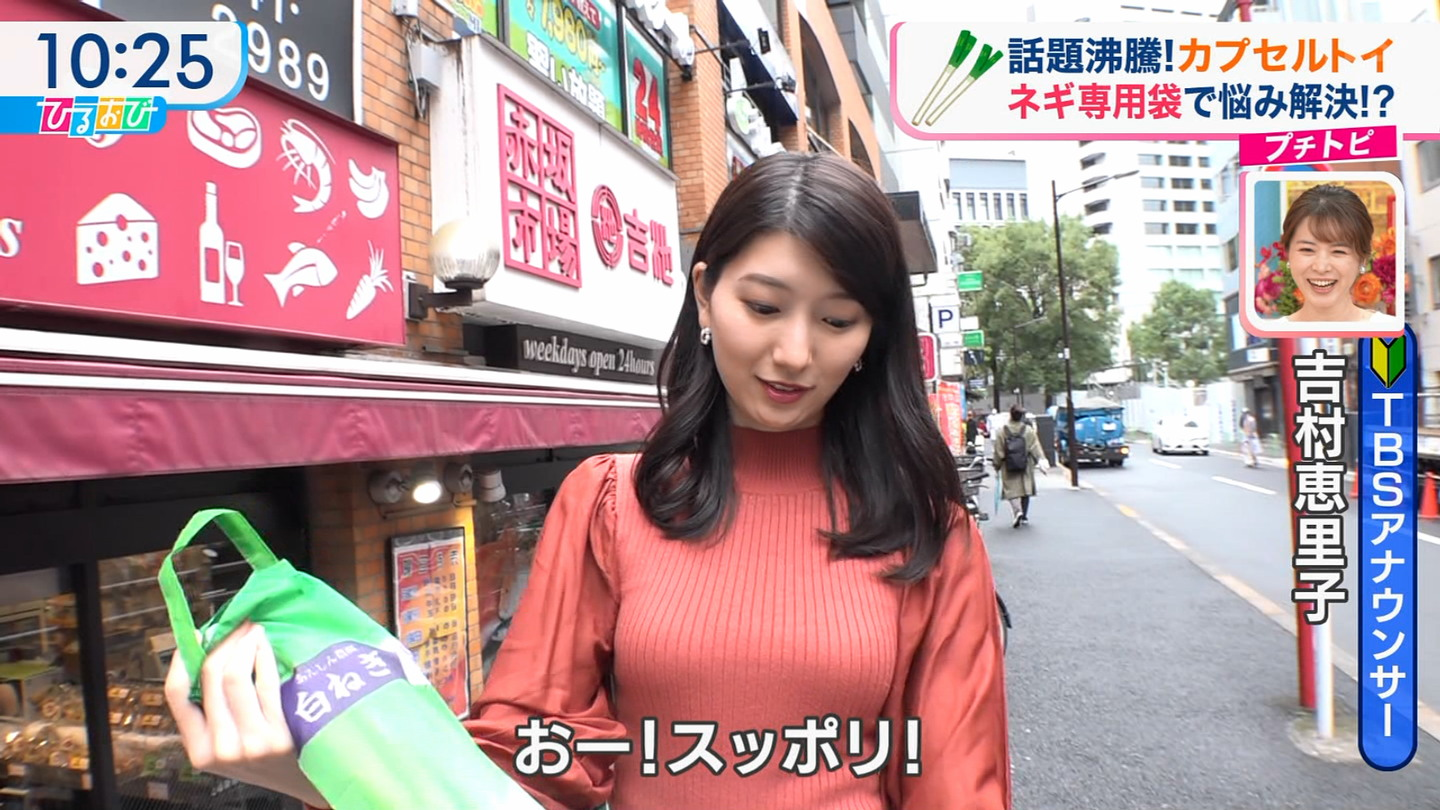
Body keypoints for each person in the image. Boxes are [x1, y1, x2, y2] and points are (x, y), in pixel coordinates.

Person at [163, 153, 1012, 810]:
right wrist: (321, 768)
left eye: (836, 319)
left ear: (872, 337)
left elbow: (957, 787)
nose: (795, 352)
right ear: (706, 294)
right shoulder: (612, 503)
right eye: (763, 306)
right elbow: (525, 769)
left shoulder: (928, 534)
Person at [1269, 183, 1403, 327]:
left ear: (1363, 259)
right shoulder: (1270, 333)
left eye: (1338, 251)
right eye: (1307, 250)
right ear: (1288, 253)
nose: (1321, 267)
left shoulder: (1391, 331)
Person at [993, 404, 1046, 528]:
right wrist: (1041, 460)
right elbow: (1035, 447)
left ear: (1010, 415)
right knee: (1025, 489)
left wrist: (997, 465)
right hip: (1025, 464)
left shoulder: (1002, 431)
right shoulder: (1028, 431)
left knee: (1011, 490)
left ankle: (1017, 511)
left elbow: (999, 452)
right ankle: (1024, 516)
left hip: (1008, 465)